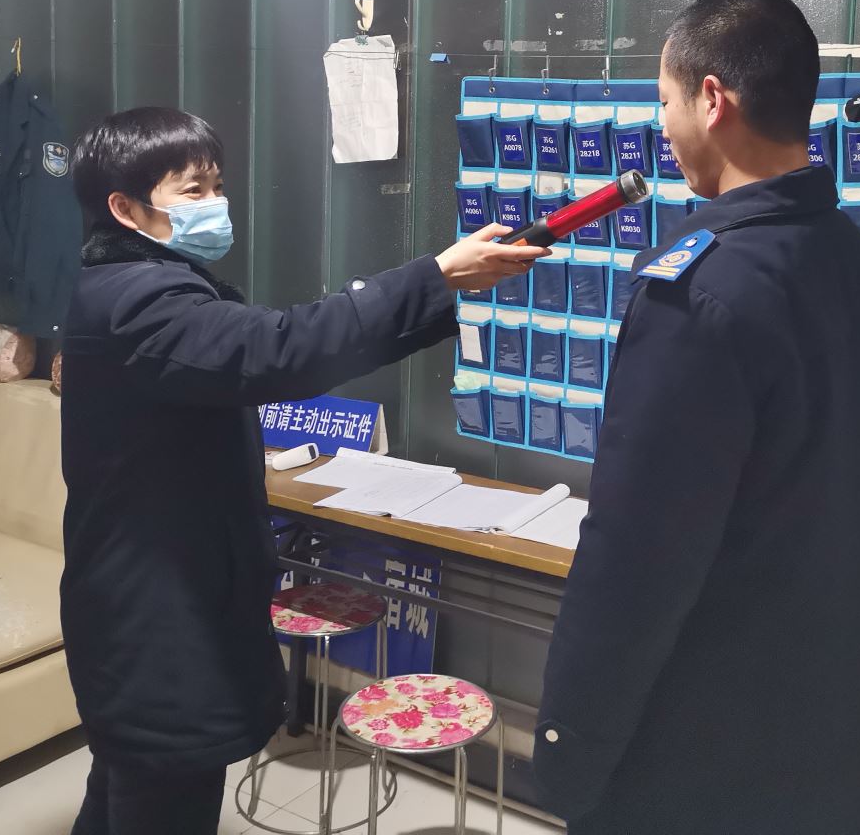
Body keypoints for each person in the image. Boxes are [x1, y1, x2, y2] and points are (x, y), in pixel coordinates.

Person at [59, 107, 545, 835]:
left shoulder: (142, 283)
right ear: (125, 209)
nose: (215, 204)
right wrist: (436, 275)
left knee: (125, 792)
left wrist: (440, 287)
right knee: (159, 798)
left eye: (217, 185)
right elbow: (278, 349)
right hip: (153, 618)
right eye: (193, 191)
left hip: (158, 601)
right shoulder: (137, 301)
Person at [533, 0, 860, 834]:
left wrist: (568, 743)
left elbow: (637, 554)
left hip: (694, 741)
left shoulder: (698, 293)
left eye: (665, 100)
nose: (662, 127)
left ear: (712, 99)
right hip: (823, 719)